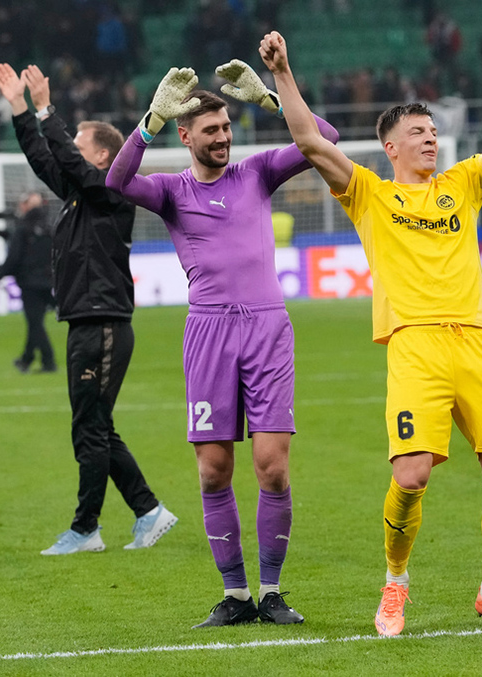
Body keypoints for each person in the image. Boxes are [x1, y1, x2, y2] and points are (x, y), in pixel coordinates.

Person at [259, 29, 482, 636]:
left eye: (434, 132)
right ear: (390, 146)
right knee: (412, 473)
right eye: (418, 133)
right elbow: (308, 138)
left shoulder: (464, 183)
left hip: (478, 340)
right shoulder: (368, 194)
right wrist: (284, 71)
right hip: (415, 342)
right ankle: (395, 586)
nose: (431, 140)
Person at [105, 61, 339, 627]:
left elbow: (324, 138)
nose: (223, 137)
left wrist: (272, 100)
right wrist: (152, 119)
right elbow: (114, 183)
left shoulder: (257, 172)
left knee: (272, 468)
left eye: (227, 127)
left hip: (265, 327)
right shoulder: (170, 192)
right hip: (208, 331)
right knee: (213, 470)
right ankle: (235, 596)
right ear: (186, 136)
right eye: (210, 130)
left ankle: (273, 591)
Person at [0, 62, 177, 554]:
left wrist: (46, 106)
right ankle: (147, 511)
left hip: (103, 323)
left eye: (77, 139)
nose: (69, 145)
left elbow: (67, 164)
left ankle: (87, 528)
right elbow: (44, 158)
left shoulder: (112, 190)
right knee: (95, 426)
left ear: (103, 155)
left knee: (89, 428)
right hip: (87, 320)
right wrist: (19, 107)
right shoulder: (81, 196)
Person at [0, 191, 57, 374]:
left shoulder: (23, 228)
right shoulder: (51, 226)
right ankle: (27, 359)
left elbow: (15, 257)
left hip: (30, 282)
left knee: (34, 323)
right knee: (35, 322)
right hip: (50, 280)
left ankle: (48, 361)